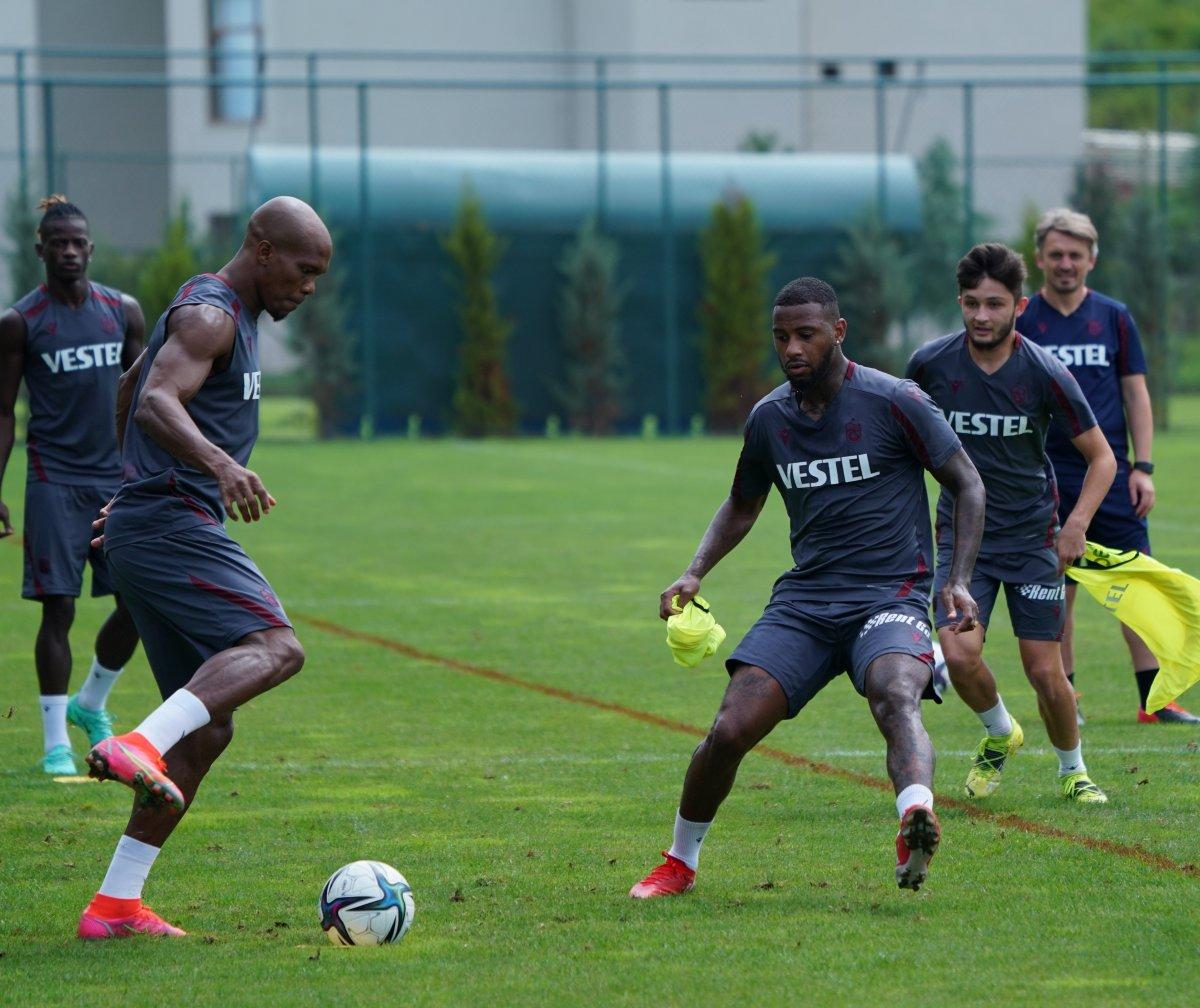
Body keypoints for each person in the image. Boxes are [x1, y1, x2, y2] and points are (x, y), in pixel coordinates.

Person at [629, 277, 985, 899]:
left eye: (806, 334)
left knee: (894, 692)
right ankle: (679, 863)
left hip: (889, 596)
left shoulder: (896, 400)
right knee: (730, 729)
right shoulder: (769, 419)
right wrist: (694, 571)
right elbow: (742, 504)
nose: (792, 348)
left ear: (838, 332)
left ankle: (915, 817)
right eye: (781, 337)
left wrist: (956, 580)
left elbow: (968, 484)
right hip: (806, 603)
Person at [76, 196, 331, 939]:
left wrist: (126, 492)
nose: (308, 286)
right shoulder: (213, 315)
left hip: (151, 518)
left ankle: (115, 905)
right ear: (261, 249)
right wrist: (215, 466)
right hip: (172, 521)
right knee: (278, 648)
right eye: (303, 269)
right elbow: (154, 396)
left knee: (209, 730)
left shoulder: (224, 314)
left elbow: (129, 387)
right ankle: (138, 743)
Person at [907, 243, 1116, 804]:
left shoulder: (1045, 372)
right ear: (959, 302)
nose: (981, 316)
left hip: (1032, 536)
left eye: (994, 304)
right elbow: (900, 441)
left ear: (1019, 307)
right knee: (958, 653)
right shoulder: (930, 364)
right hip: (961, 537)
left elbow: (1102, 458)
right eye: (971, 303)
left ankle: (1074, 771)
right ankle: (1001, 731)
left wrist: (1075, 525)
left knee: (1044, 670)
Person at [1023, 208, 1197, 724]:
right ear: (1040, 258)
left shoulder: (1114, 316)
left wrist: (1143, 466)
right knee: (1060, 591)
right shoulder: (1025, 318)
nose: (1065, 263)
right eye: (1056, 254)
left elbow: (1135, 394)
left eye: (1075, 254)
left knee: (1135, 585)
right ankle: (1066, 699)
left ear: (1092, 259)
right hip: (1048, 477)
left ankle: (1155, 700)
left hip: (1112, 476)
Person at [0, 195, 145, 775]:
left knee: (138, 601)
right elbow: (3, 411)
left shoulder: (123, 312)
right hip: (54, 481)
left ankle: (93, 702)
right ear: (41, 250)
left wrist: (156, 473)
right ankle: (56, 741)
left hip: (118, 483)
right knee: (57, 609)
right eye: (56, 243)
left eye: (77, 242)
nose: (67, 251)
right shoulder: (20, 322)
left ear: (90, 248)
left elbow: (145, 401)